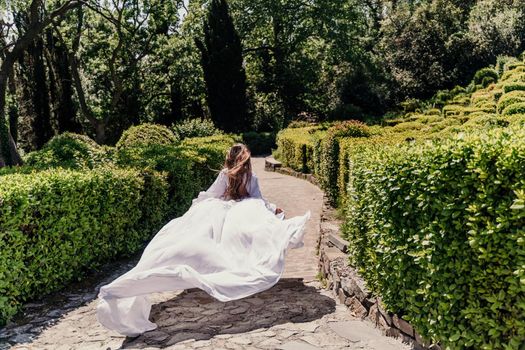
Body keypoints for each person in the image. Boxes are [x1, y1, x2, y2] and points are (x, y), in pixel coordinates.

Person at [96, 143, 311, 337]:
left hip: (221, 210)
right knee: (239, 246)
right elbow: (257, 199)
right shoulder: (250, 178)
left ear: (229, 158)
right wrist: (272, 209)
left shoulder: (225, 174)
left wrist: (197, 206)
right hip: (245, 211)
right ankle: (230, 272)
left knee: (198, 242)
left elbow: (212, 195)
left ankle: (138, 284)